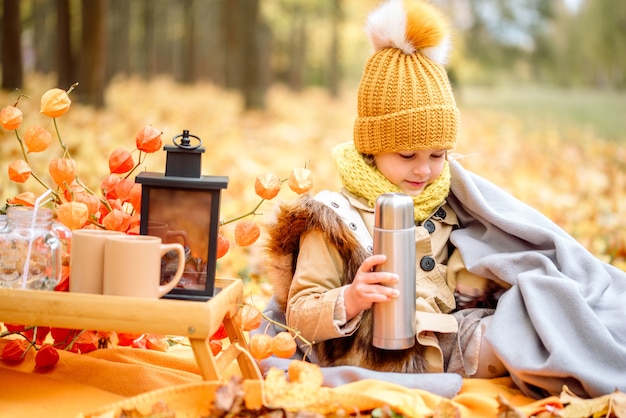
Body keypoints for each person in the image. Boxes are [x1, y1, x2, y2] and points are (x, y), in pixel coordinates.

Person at [258, 0, 626, 400]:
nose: (424, 171)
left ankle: (600, 364)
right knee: (522, 342)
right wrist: (351, 297)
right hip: (373, 351)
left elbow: (478, 255)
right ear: (372, 147)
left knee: (544, 304)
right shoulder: (334, 221)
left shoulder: (444, 202)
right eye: (407, 155)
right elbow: (300, 313)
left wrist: (477, 280)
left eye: (437, 155)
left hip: (447, 334)